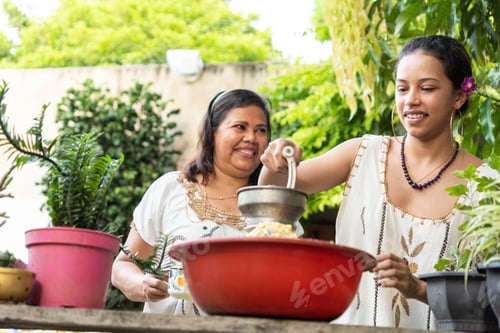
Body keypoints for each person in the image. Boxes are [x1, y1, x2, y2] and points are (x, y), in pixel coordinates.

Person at [258, 35, 495, 329]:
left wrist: (419, 289)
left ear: (459, 96)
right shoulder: (362, 153)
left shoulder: (486, 187)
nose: (411, 100)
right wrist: (279, 156)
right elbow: (277, 192)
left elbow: (490, 299)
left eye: (428, 88)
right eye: (402, 88)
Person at [111, 89, 273, 315]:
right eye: (240, 127)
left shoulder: (274, 205)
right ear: (212, 133)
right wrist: (142, 285)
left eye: (261, 130)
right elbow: (123, 265)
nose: (251, 138)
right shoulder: (171, 189)